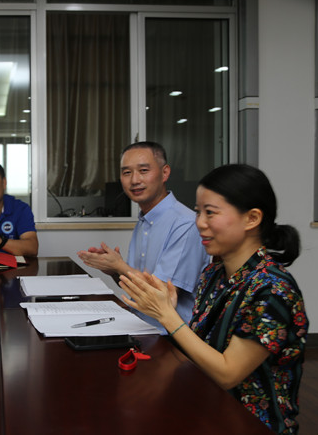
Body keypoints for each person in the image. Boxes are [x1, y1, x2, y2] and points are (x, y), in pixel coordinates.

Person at [118, 164, 308, 434]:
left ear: (252, 218)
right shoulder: (214, 274)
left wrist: (167, 316)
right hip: (205, 407)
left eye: (210, 213)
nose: (199, 223)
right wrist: (168, 310)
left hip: (249, 424)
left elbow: (228, 374)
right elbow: (200, 349)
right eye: (198, 212)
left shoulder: (273, 289)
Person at [77, 141, 209, 332]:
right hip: (139, 323)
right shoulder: (145, 220)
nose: (134, 180)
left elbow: (163, 296)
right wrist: (113, 270)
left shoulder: (185, 224)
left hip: (170, 336)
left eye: (144, 170)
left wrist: (119, 266)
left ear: (165, 173)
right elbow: (137, 288)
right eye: (126, 172)